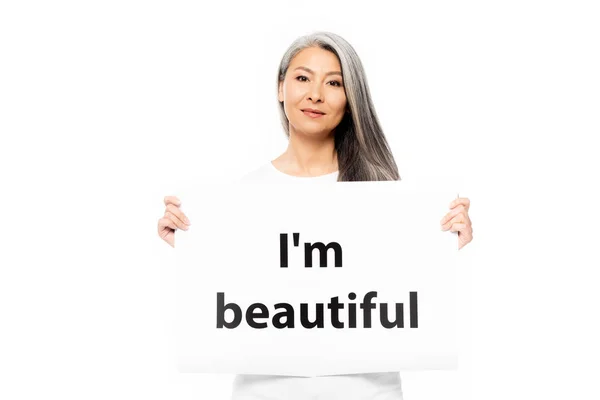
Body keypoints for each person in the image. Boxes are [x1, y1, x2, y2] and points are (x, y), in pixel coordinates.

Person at [157, 31, 473, 400]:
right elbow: (234, 301)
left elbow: (399, 296)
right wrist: (194, 246)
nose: (316, 95)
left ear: (350, 97)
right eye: (303, 78)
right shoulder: (240, 199)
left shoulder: (387, 198)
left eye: (334, 82)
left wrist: (441, 244)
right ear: (280, 88)